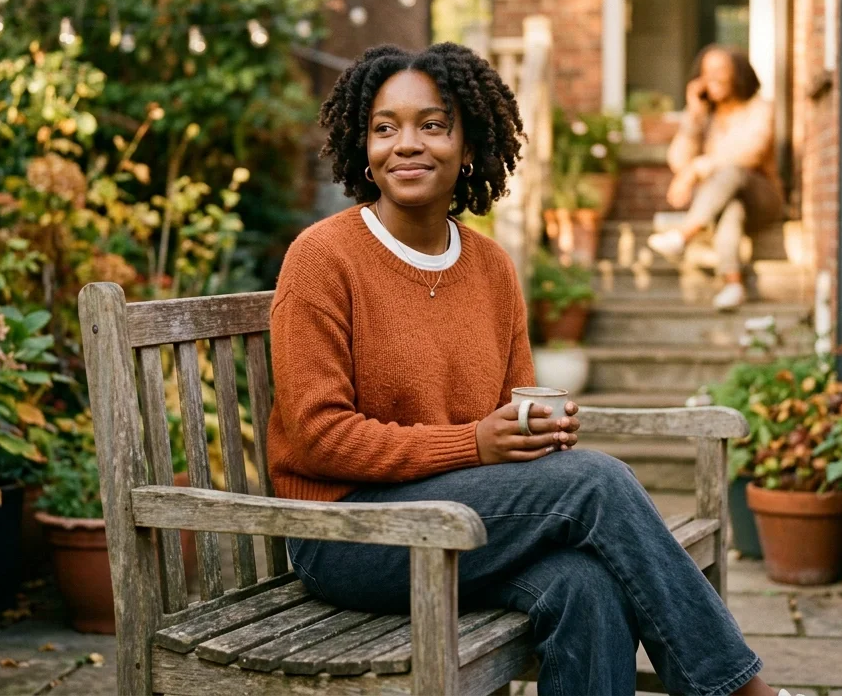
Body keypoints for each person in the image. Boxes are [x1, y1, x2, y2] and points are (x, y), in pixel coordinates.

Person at [268, 42, 802, 696]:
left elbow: (509, 412)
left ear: (470, 147)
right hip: (346, 536)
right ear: (363, 148)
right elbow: (318, 436)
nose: (406, 144)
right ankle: (736, 688)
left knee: (590, 585)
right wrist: (474, 443)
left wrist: (536, 434)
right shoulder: (322, 259)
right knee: (597, 483)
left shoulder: (490, 268)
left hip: (456, 522)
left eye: (433, 125)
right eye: (384, 128)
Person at [647, 46, 783, 312]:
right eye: (706, 73)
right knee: (731, 208)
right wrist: (693, 117)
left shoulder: (760, 108)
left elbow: (750, 153)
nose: (712, 79)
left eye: (721, 71)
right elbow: (677, 161)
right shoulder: (705, 116)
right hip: (723, 201)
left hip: (763, 198)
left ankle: (684, 235)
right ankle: (733, 283)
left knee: (732, 172)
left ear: (739, 74)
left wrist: (698, 168)